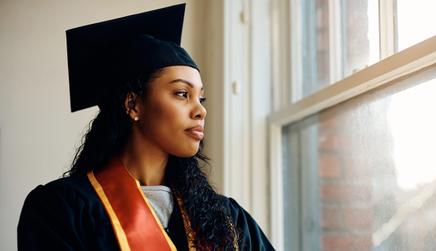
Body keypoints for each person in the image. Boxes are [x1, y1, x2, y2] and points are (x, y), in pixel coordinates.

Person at [17, 4, 274, 251]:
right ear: (133, 105)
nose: (201, 110)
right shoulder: (64, 210)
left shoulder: (228, 220)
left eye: (201, 98)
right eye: (182, 93)